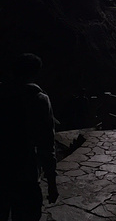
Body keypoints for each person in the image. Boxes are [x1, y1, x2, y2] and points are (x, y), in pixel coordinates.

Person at [0, 53, 58, 220]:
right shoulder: (38, 99)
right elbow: (46, 144)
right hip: (25, 173)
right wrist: (52, 183)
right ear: (36, 72)